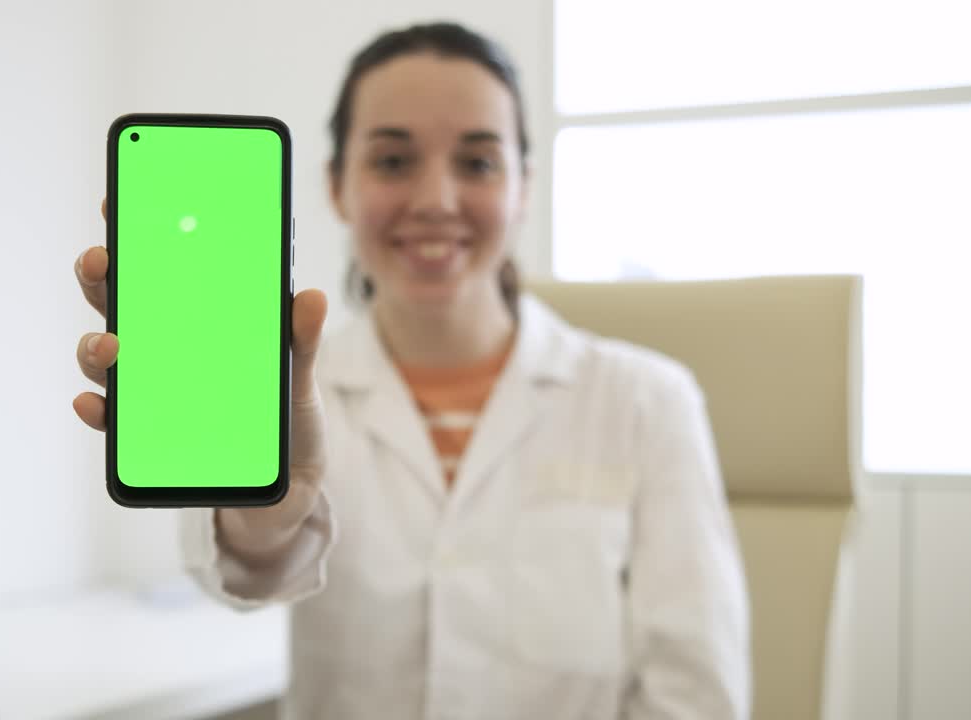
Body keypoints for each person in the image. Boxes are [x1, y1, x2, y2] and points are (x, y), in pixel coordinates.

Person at [73, 22, 749, 720]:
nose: (435, 199)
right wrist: (259, 518)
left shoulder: (646, 401)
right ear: (337, 187)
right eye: (393, 162)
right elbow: (235, 577)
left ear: (524, 188)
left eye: (479, 163)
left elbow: (695, 694)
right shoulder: (282, 391)